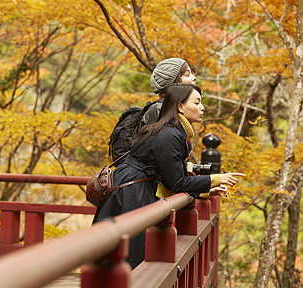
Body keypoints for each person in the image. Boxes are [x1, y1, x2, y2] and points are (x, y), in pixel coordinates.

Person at [93, 83, 244, 269]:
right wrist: (216, 178)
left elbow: (171, 179)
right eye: (196, 103)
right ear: (180, 106)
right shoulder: (169, 135)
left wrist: (206, 191)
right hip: (130, 192)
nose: (202, 107)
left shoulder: (171, 131)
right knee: (126, 257)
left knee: (121, 255)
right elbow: (178, 182)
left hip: (130, 187)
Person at [140, 58, 197, 128]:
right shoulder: (159, 110)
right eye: (187, 74)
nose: (194, 77)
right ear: (175, 82)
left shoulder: (178, 107)